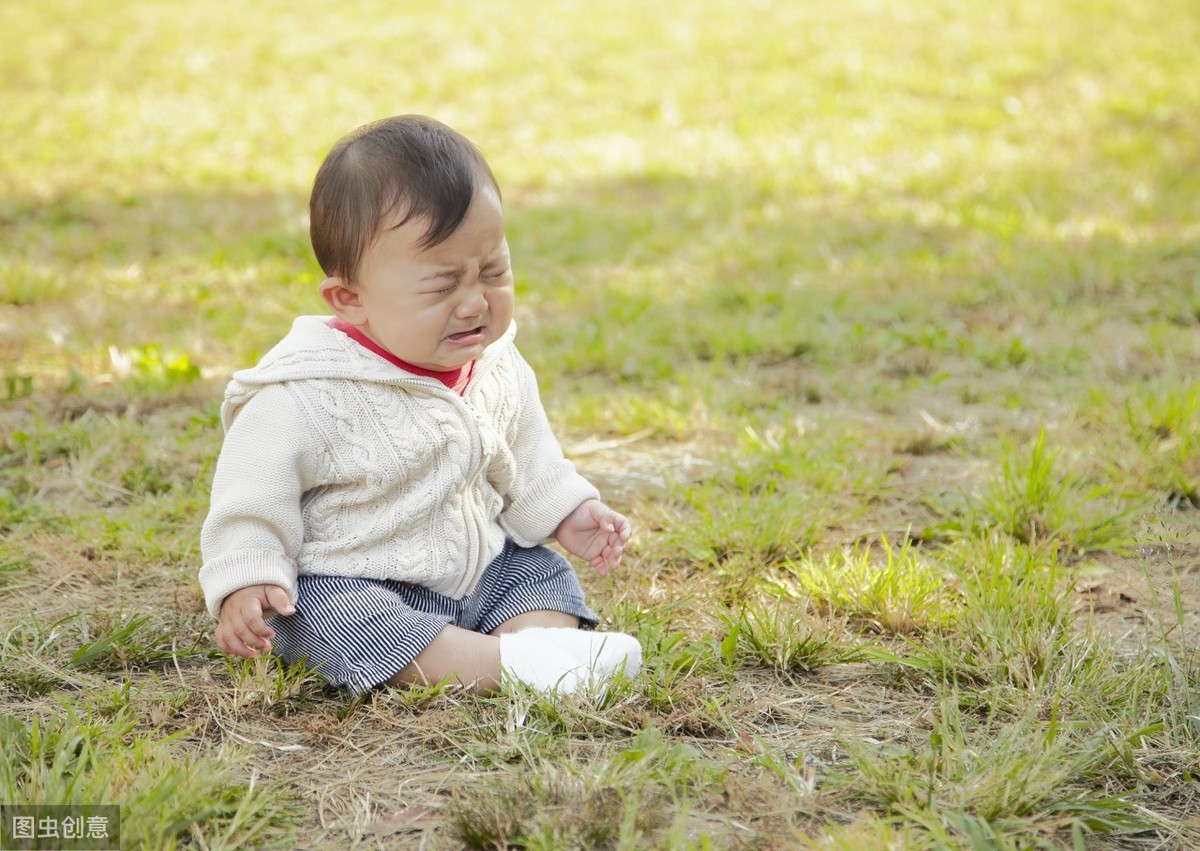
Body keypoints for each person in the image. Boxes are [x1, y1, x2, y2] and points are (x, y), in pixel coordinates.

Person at [199, 115, 640, 696]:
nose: (474, 302)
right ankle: (518, 667)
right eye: (440, 287)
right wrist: (246, 579)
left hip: (475, 572)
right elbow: (249, 499)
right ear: (350, 299)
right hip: (356, 581)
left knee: (535, 570)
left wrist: (567, 512)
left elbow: (529, 454)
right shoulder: (302, 393)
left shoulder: (497, 365)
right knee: (327, 621)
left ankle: (526, 653)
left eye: (493, 271)